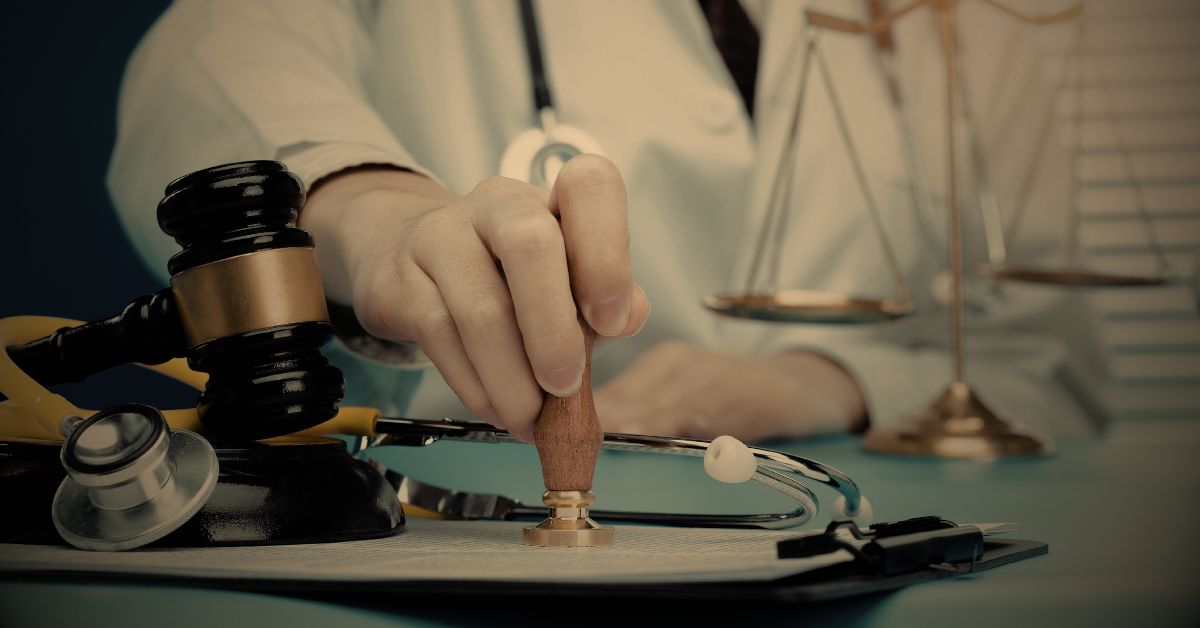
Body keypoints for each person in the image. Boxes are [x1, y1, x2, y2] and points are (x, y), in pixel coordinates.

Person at [108, 0, 1103, 444]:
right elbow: (210, 59)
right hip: (480, 535)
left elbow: (1047, 365)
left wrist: (819, 384)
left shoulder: (973, 19)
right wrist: (374, 208)